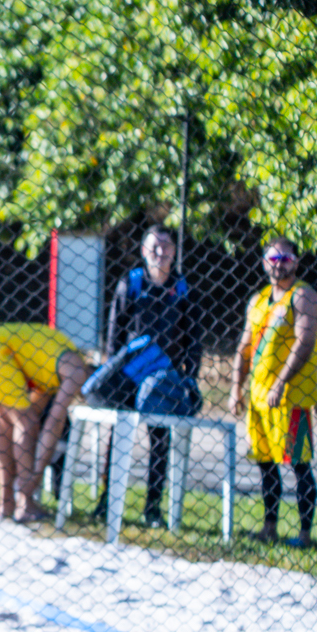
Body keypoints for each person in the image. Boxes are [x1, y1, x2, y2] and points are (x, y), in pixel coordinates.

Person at [95, 225, 197, 528]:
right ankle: (106, 502)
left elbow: (193, 339)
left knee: (160, 441)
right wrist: (111, 372)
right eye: (154, 245)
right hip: (131, 375)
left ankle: (152, 508)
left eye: (166, 245)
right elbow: (114, 333)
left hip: (164, 380)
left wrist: (189, 377)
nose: (159, 251)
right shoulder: (132, 283)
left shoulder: (183, 289)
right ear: (143, 250)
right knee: (118, 437)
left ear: (174, 251)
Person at [231, 236, 317, 547]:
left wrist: (281, 381)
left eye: (285, 258)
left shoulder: (304, 296)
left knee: (299, 465)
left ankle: (305, 534)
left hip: (291, 399)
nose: (279, 264)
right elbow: (244, 347)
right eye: (273, 258)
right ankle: (269, 528)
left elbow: (305, 342)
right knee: (266, 466)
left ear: (296, 261)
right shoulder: (258, 300)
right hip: (259, 400)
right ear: (263, 263)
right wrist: (235, 389)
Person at [0, 321, 89, 522]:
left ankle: (6, 503)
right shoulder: (77, 371)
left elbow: (36, 410)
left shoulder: (55, 364)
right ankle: (25, 503)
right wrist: (34, 477)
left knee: (7, 423)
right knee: (26, 424)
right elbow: (53, 423)